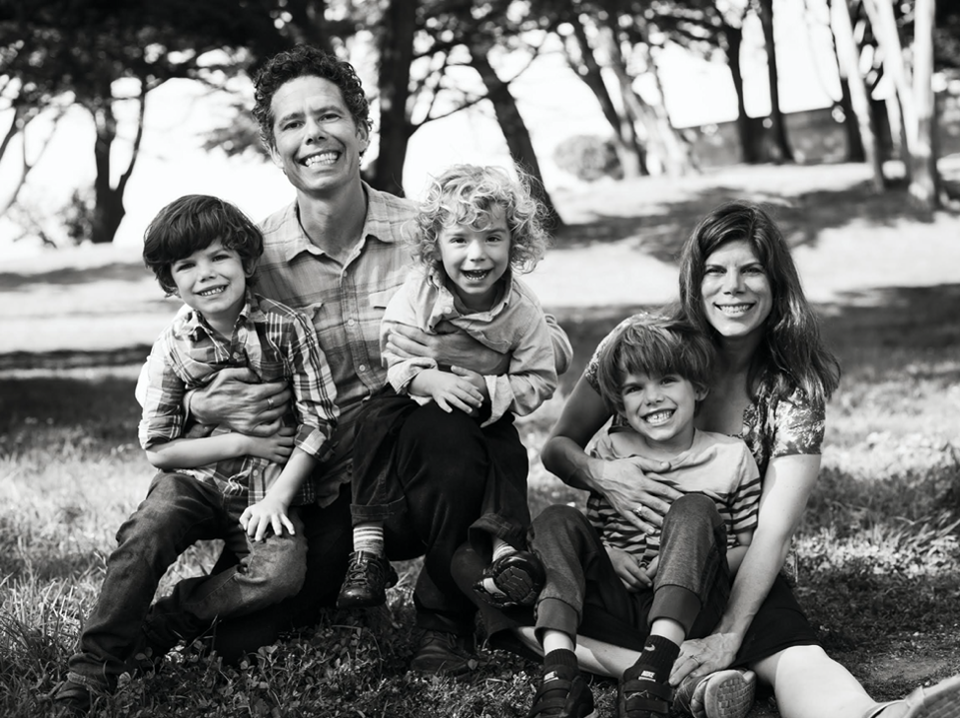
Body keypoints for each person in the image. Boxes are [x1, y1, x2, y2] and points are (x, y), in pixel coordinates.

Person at [167, 45, 572, 674]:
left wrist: (463, 356)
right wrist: (198, 401)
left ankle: (443, 622)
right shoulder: (254, 260)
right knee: (249, 633)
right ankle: (175, 617)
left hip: (426, 465)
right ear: (274, 147)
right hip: (327, 485)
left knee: (445, 427)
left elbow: (549, 341)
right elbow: (189, 354)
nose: (314, 136)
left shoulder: (434, 234)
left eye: (328, 116)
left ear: (361, 130)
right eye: (291, 124)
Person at [503, 200, 959, 718]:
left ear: (776, 282)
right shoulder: (644, 349)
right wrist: (602, 475)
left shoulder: (793, 390)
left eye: (751, 271)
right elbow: (559, 447)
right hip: (622, 571)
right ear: (695, 282)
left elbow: (771, 532)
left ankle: (869, 714)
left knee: (792, 652)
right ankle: (675, 680)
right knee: (515, 591)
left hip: (724, 571)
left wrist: (728, 633)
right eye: (715, 271)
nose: (732, 287)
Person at [53, 195, 339, 715]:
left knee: (280, 571)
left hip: (263, 490)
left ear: (247, 262)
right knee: (147, 532)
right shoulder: (172, 346)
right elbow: (158, 447)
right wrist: (243, 442)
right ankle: (92, 669)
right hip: (195, 479)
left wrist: (279, 496)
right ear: (170, 282)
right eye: (187, 265)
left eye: (219, 257)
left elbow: (321, 421)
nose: (206, 274)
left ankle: (164, 624)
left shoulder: (288, 327)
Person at [459, 313, 762, 718]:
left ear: (699, 386)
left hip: (694, 606)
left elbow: (748, 545)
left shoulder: (730, 456)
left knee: (694, 507)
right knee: (555, 519)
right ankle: (560, 675)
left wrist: (683, 564)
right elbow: (593, 533)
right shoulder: (609, 451)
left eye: (667, 380)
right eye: (635, 388)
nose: (652, 398)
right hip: (620, 599)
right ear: (619, 402)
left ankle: (653, 671)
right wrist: (611, 556)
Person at [336, 164, 557, 610]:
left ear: (515, 242)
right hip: (410, 400)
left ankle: (505, 550)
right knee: (373, 421)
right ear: (435, 246)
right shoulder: (420, 287)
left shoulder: (522, 310)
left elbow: (540, 378)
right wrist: (429, 377)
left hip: (481, 404)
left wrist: (491, 386)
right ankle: (369, 546)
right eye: (459, 239)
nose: (477, 255)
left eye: (492, 237)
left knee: (507, 452)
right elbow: (394, 349)